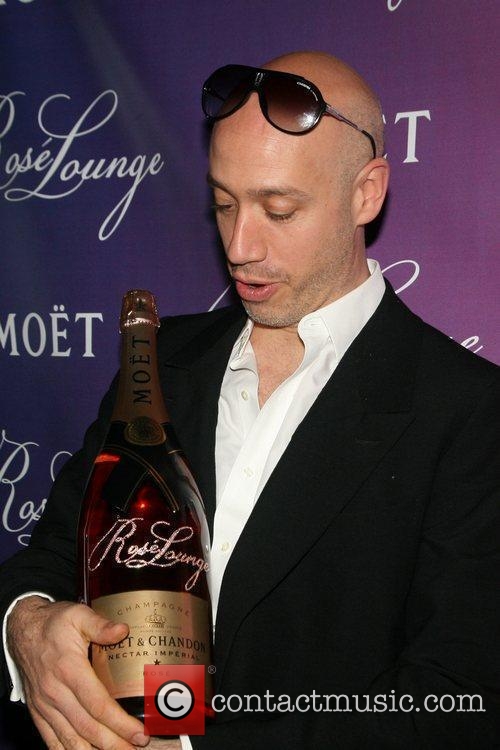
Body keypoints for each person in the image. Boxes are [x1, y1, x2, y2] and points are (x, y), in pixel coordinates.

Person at [1, 51, 499, 750]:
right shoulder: (161, 361)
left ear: (366, 193)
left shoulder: (468, 411)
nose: (239, 246)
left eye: (279, 208)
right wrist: (27, 626)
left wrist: (188, 747)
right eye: (224, 204)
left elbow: (456, 698)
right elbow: (55, 550)